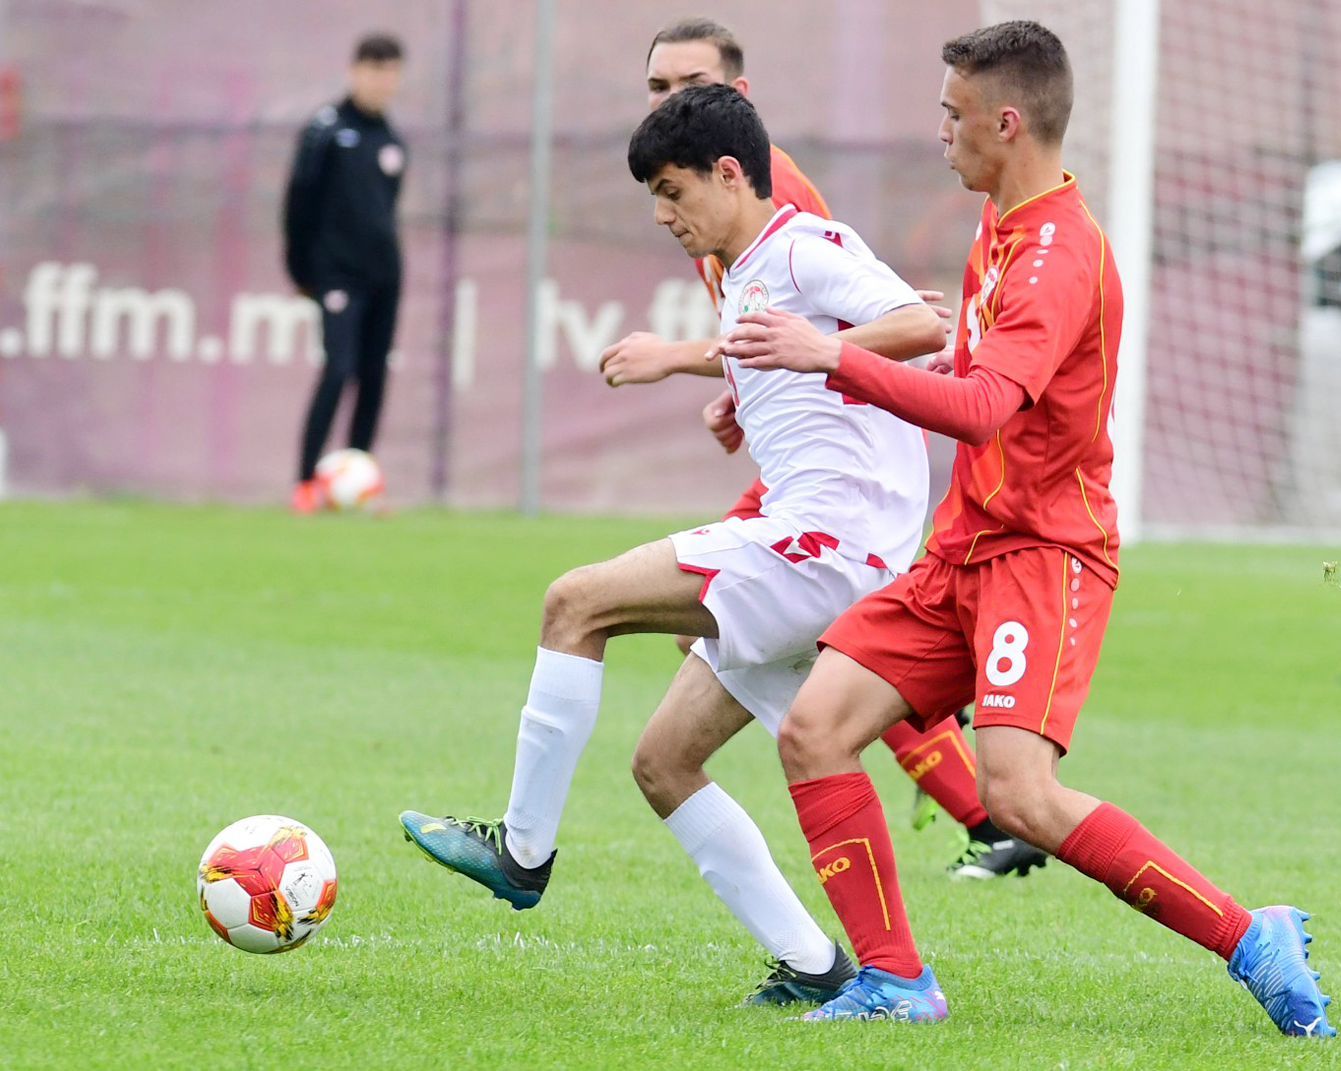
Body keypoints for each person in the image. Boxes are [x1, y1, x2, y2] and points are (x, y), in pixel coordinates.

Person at [722, 21, 1336, 1035]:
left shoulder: (1058, 255)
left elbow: (982, 408)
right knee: (817, 731)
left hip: (1043, 555)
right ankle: (896, 983)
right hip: (964, 546)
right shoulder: (1001, 227)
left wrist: (826, 357)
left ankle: (1246, 935)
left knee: (1018, 795)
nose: (939, 135)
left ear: (1007, 123)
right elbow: (966, 383)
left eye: (952, 116)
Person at [400, 84, 947, 1006]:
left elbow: (925, 324)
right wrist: (728, 374)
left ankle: (522, 852)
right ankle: (819, 967)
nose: (662, 214)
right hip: (822, 548)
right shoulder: (749, 271)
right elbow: (797, 347)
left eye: (672, 190)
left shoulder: (805, 244)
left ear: (729, 173)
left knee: (577, 601)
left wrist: (811, 352)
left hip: (827, 543)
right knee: (663, 762)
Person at [597, 16, 1046, 882]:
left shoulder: (768, 188)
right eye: (657, 87)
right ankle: (978, 812)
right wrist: (739, 385)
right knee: (775, 632)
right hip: (803, 447)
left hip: (839, 467)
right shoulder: (689, 182)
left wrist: (677, 358)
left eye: (691, 85)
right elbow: (784, 326)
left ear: (739, 99)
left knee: (793, 630)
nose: (671, 101)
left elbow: (841, 315)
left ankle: (981, 812)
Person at [283, 33, 407, 513]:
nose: (382, 80)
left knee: (374, 376)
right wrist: (301, 269)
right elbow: (299, 203)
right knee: (338, 369)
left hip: (384, 276)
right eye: (374, 69)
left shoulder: (392, 141)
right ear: (355, 71)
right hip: (338, 276)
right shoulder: (326, 129)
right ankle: (304, 483)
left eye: (390, 71)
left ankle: (360, 481)